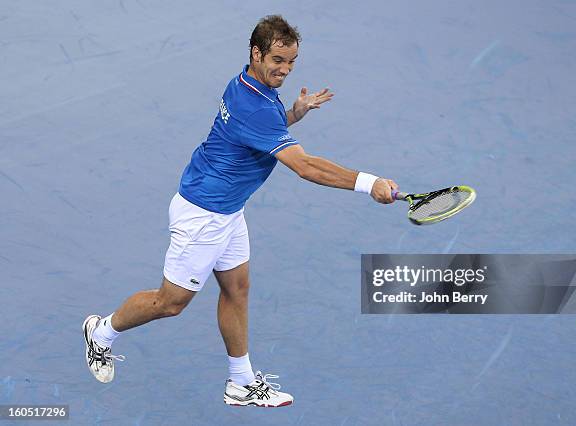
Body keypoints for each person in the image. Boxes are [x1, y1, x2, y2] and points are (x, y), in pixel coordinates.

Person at [83, 14, 398, 408]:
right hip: (202, 214)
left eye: (291, 63)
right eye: (278, 60)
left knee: (237, 289)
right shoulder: (256, 107)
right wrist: (370, 183)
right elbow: (305, 167)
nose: (284, 70)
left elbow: (260, 132)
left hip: (228, 210)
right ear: (256, 52)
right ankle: (102, 332)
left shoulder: (248, 86)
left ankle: (240, 382)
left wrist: (294, 114)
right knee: (170, 303)